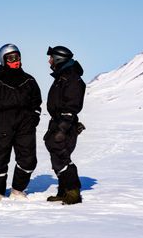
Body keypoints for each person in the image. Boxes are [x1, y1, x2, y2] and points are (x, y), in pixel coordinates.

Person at [0, 43, 42, 200]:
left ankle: (17, 189)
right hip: (3, 123)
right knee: (1, 159)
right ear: (3, 60)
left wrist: (34, 117)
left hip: (25, 124)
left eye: (18, 57)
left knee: (28, 159)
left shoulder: (29, 80)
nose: (16, 60)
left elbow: (37, 101)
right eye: (11, 58)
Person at [44, 45, 86, 205]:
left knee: (62, 157)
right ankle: (63, 191)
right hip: (58, 122)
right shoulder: (63, 77)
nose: (49, 61)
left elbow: (71, 105)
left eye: (51, 58)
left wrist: (63, 127)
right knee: (57, 158)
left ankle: (73, 193)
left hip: (64, 124)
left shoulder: (72, 78)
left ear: (58, 59)